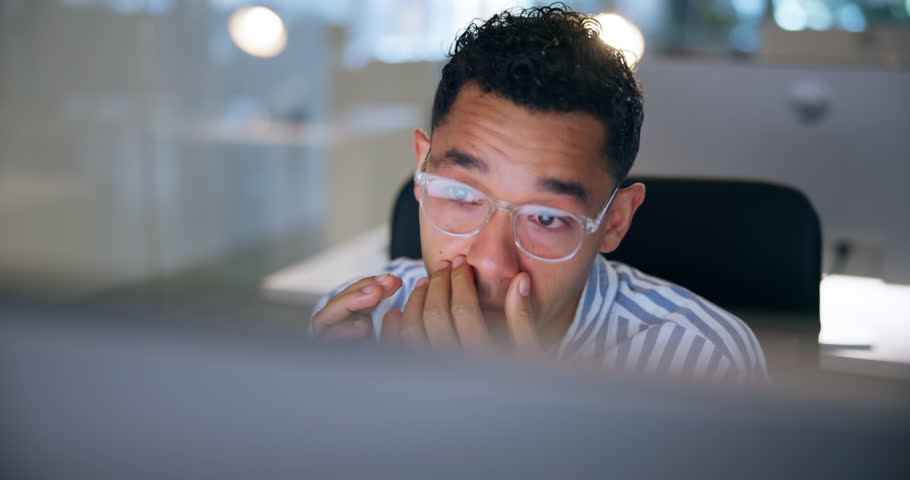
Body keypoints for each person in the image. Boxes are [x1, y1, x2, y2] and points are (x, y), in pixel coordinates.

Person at [311, 4, 766, 382]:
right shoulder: (358, 324)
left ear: (615, 222)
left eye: (547, 217)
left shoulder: (703, 362)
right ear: (420, 168)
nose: (490, 262)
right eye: (461, 194)